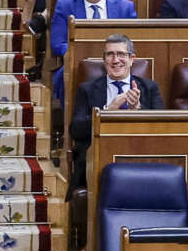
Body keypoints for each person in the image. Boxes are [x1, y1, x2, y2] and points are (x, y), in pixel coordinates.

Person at [69, 35, 163, 174]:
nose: (115, 60)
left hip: (140, 154)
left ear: (132, 59)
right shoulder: (87, 89)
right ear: (104, 60)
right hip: (100, 157)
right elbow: (76, 130)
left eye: (121, 54)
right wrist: (107, 111)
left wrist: (138, 109)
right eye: (110, 54)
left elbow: (162, 127)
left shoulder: (150, 88)